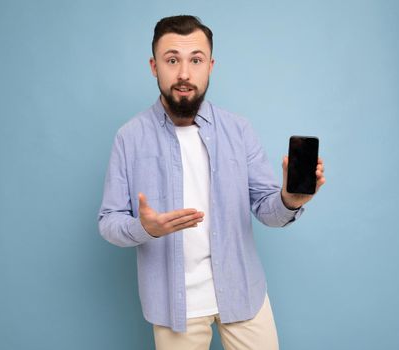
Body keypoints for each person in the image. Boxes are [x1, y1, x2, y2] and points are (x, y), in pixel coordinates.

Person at [98, 15, 325, 350]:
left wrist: (290, 199)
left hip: (243, 291)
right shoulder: (129, 138)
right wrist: (145, 228)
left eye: (196, 60)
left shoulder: (239, 129)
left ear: (211, 65)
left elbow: (266, 209)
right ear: (154, 66)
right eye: (172, 60)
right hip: (173, 304)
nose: (184, 73)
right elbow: (109, 222)